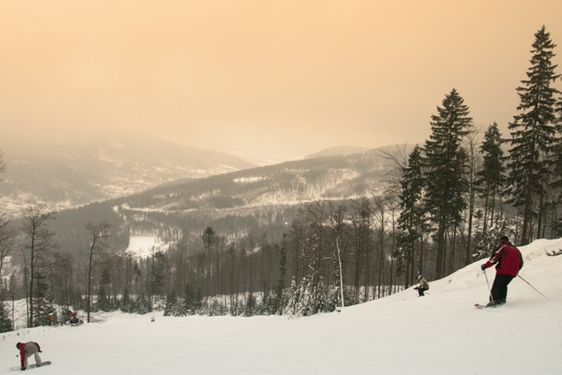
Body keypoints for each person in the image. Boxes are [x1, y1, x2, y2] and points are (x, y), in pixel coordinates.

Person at [481, 235, 524, 307]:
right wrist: (515, 270)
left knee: (497, 285)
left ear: (502, 241)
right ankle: (502, 299)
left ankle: (493, 301)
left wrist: (485, 266)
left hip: (503, 271)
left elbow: (494, 259)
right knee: (504, 285)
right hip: (513, 273)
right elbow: (521, 263)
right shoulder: (516, 249)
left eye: (500, 242)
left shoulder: (503, 248)